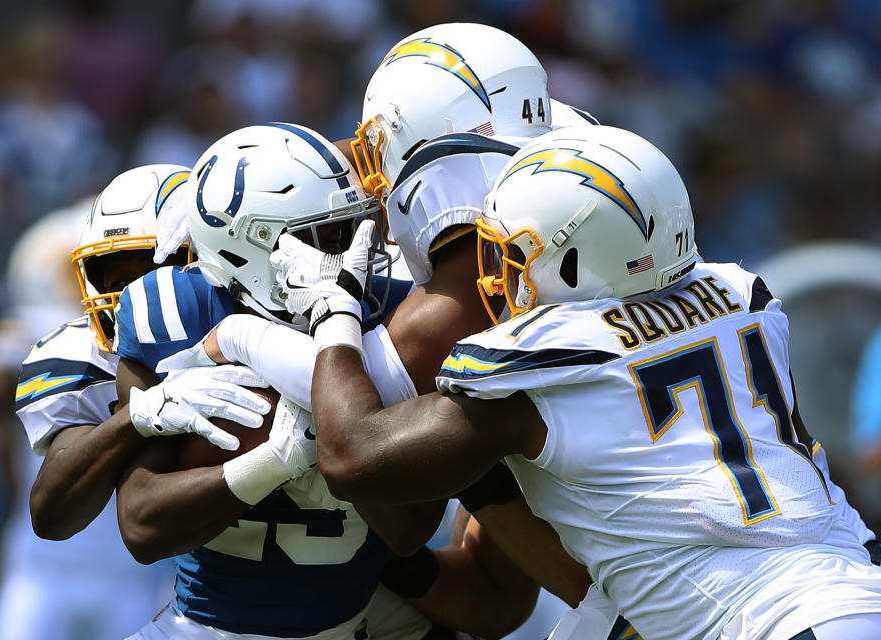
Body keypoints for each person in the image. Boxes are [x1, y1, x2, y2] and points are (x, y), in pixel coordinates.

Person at [274, 124, 881, 640]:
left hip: (778, 622)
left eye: (509, 250)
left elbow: (354, 455)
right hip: (851, 582)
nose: (497, 270)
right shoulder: (742, 300)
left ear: (568, 260)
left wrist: (334, 311)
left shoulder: (545, 371)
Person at [169, 21, 604, 635]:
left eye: (378, 152)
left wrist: (244, 336)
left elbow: (353, 449)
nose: (374, 183)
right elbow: (495, 596)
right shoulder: (609, 220)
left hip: (676, 595)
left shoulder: (458, 303)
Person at [112, 123, 469, 640]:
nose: (356, 255)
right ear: (249, 249)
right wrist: (273, 460)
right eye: (331, 235)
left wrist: (300, 342)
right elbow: (142, 523)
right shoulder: (173, 310)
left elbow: (410, 529)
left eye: (356, 227)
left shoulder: (393, 311)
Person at [10, 166, 271, 640]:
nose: (127, 297)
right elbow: (51, 513)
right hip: (107, 573)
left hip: (200, 586)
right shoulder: (82, 354)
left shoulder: (259, 331)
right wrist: (140, 416)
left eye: (147, 272)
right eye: (112, 274)